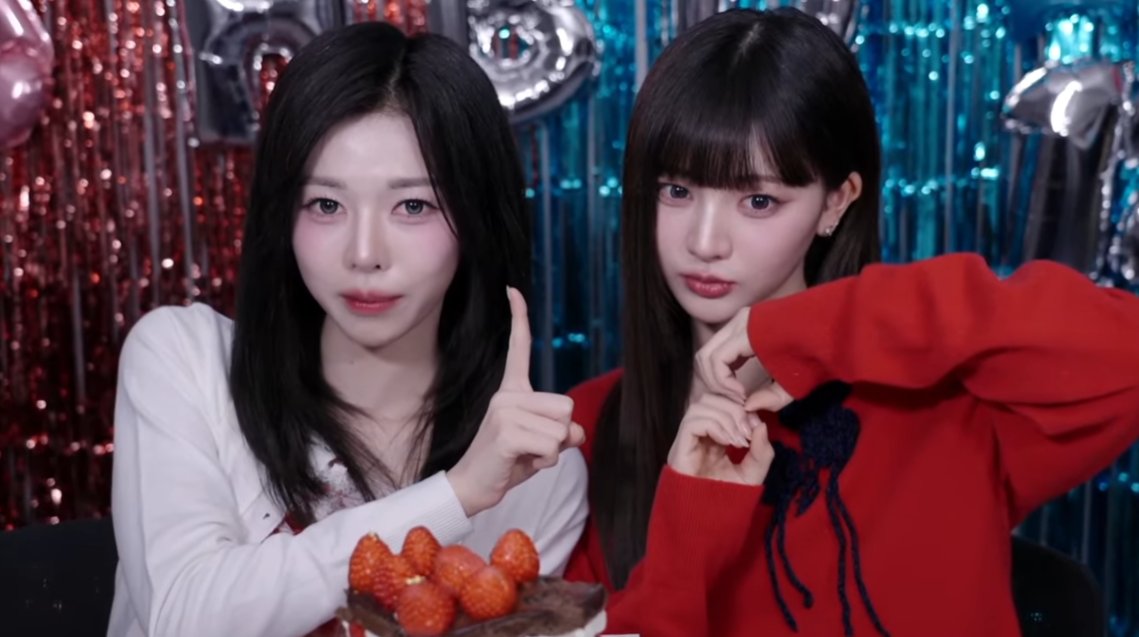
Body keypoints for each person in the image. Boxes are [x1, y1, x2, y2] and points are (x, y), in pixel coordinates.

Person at [565, 7, 1139, 636]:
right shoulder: (583, 434)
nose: (704, 242)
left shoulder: (952, 395)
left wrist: (820, 327)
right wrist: (692, 526)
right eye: (676, 191)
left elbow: (1126, 354)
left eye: (758, 200)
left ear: (835, 203)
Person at [109, 22, 588, 637]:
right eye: (326, 205)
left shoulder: (534, 470)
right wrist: (458, 494)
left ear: (475, 219)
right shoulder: (186, 362)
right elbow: (183, 620)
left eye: (413, 206)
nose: (364, 254)